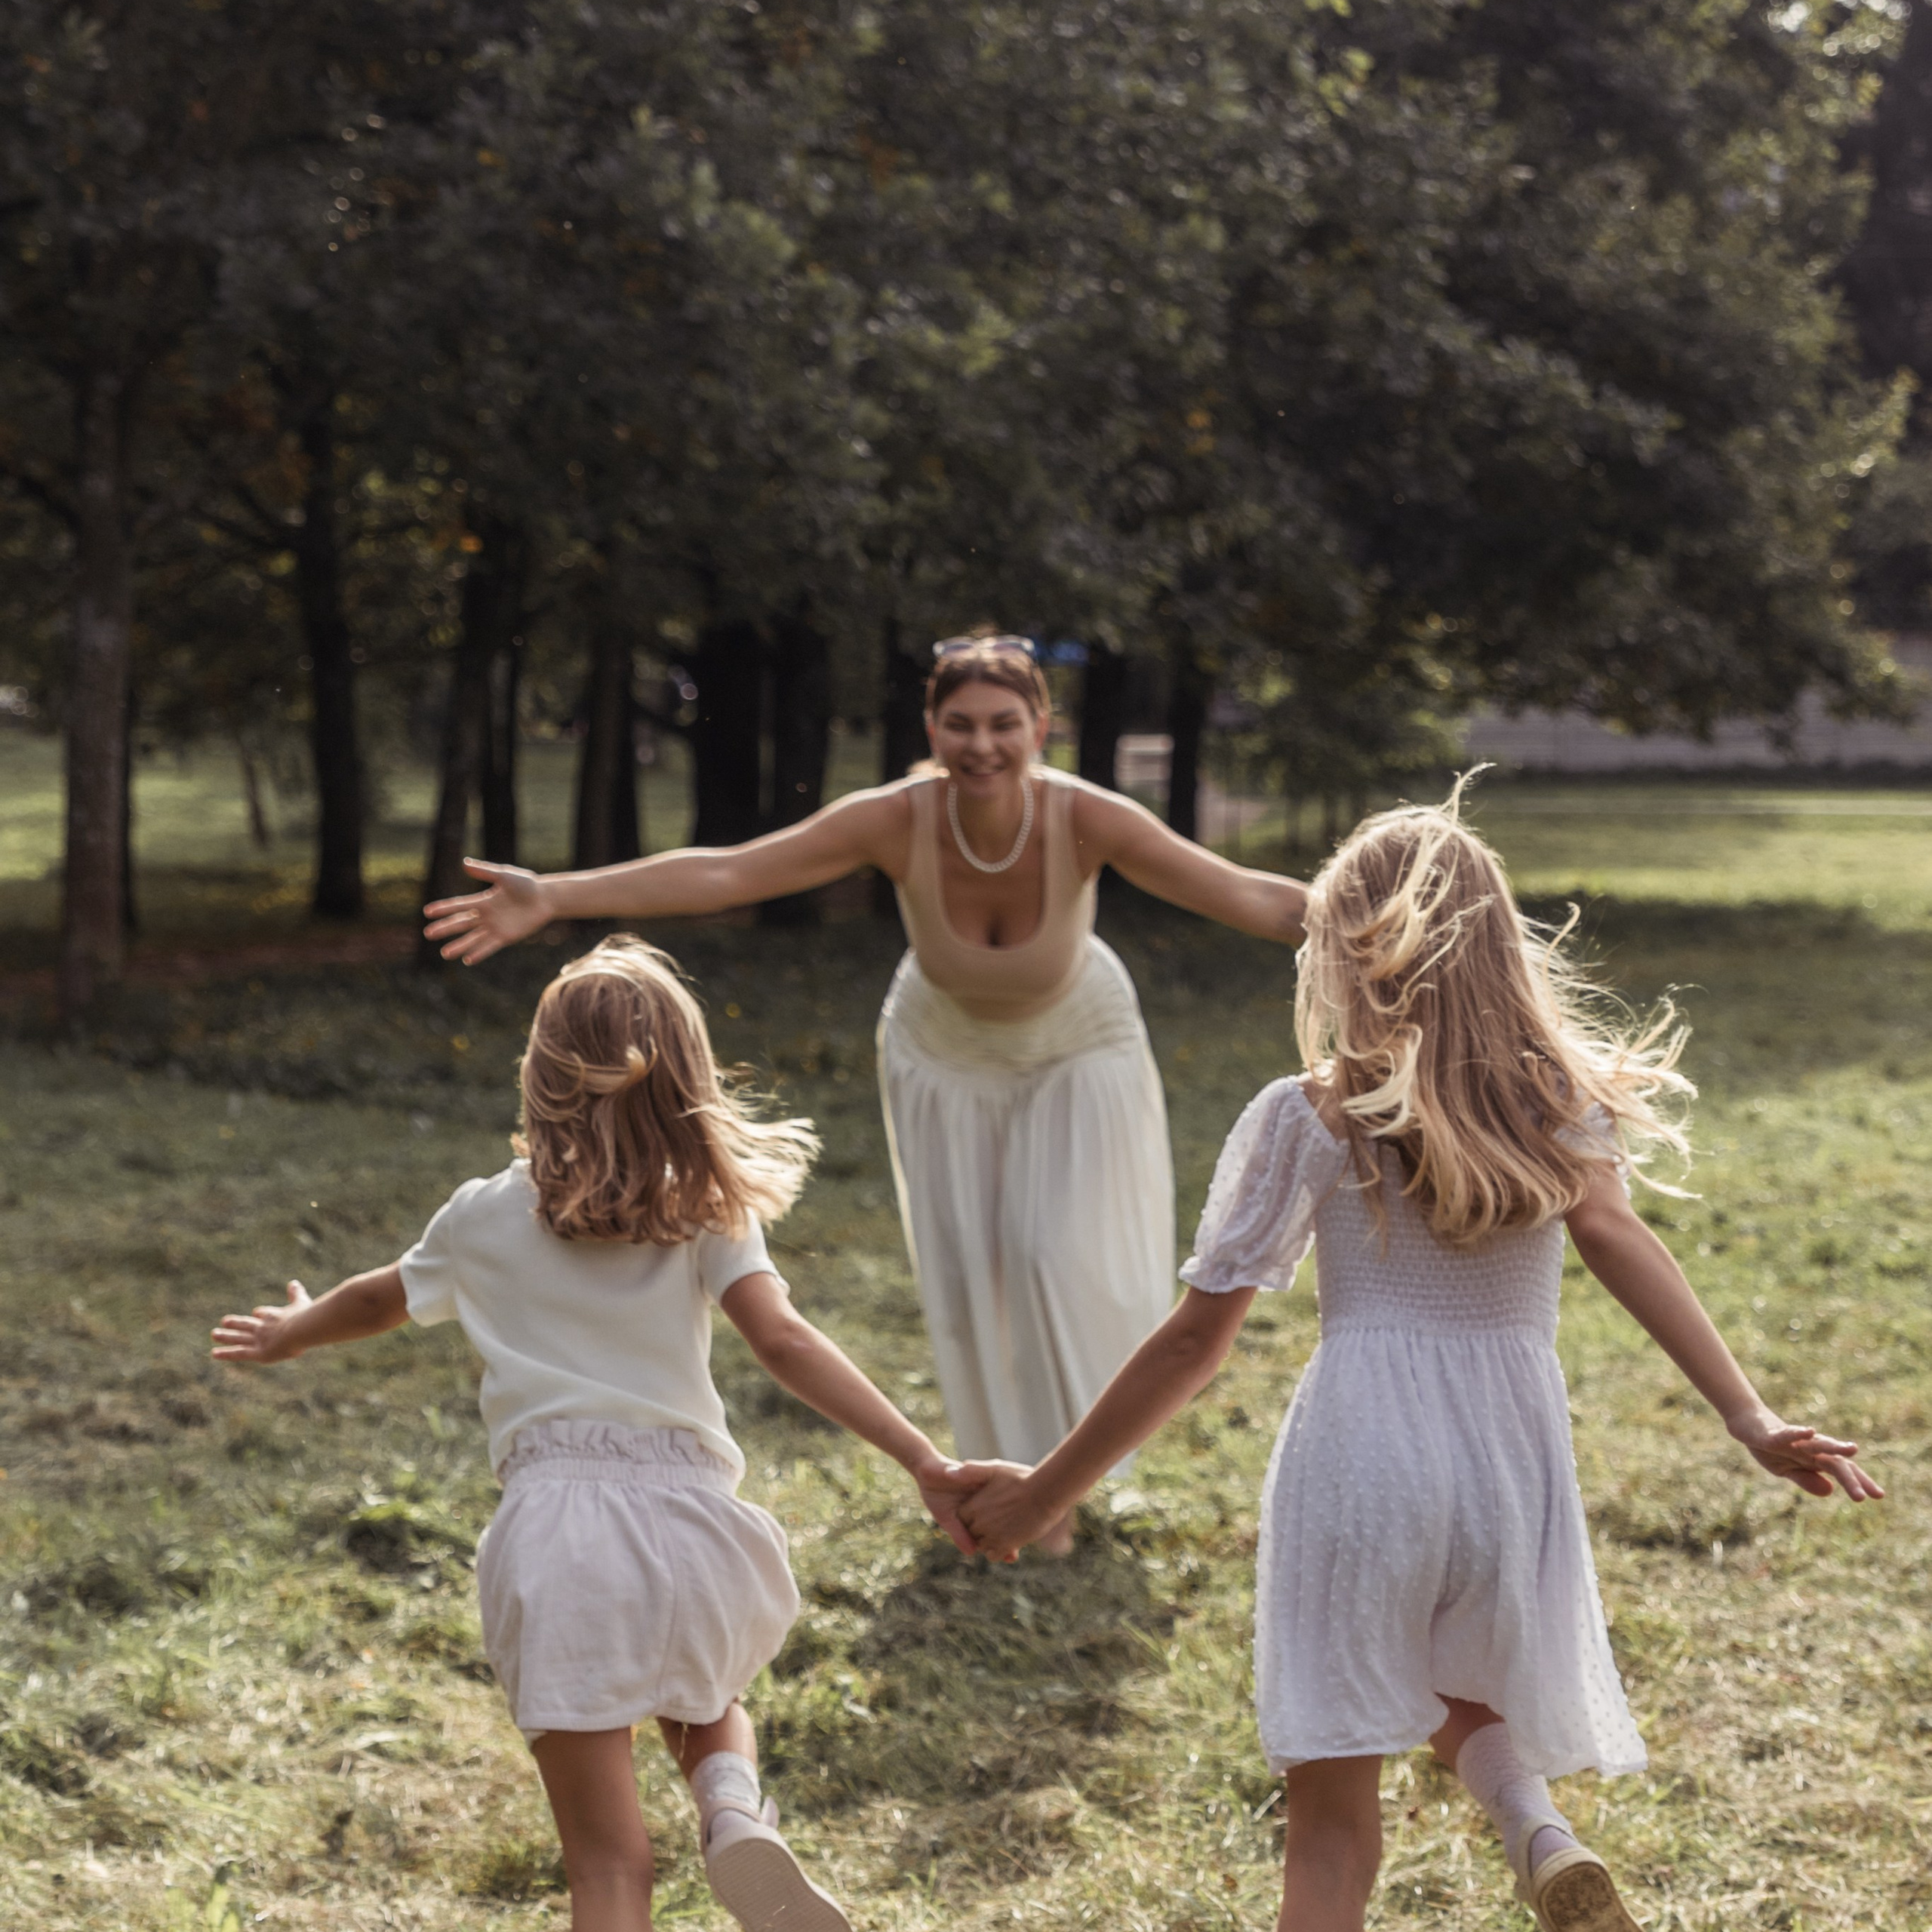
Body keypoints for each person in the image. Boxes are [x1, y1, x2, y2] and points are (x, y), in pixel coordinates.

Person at [955, 792, 1883, 1932]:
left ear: (1344, 953)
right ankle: (1535, 1828)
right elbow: (1614, 1236)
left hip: (1359, 1448)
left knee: (1333, 1828)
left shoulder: (1313, 1114)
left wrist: (1044, 1493)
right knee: (1458, 1672)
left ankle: (1519, 1830)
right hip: (1509, 1455)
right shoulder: (1561, 1102)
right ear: (1500, 943)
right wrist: (1749, 1416)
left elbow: (1198, 1338)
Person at [423, 632, 1309, 1554]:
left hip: (1077, 1046)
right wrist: (556, 896)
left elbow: (1245, 895)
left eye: (1005, 724)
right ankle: (1004, 1480)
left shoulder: (1087, 816)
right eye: (959, 724)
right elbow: (733, 869)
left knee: (1052, 1254)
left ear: (1042, 726)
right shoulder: (896, 818)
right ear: (930, 727)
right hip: (942, 1053)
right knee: (980, 1272)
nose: (982, 746)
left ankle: (1062, 1478)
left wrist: (1386, 915)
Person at [212, 936, 977, 1932]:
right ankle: (733, 1806)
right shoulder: (704, 1210)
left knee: (610, 1865)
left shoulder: (484, 1215)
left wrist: (290, 1332)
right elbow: (784, 1341)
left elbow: (375, 1299)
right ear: (690, 1080)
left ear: (537, 1075)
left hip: (557, 1536)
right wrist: (924, 1457)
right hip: (693, 1524)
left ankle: (715, 1819)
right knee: (705, 1711)